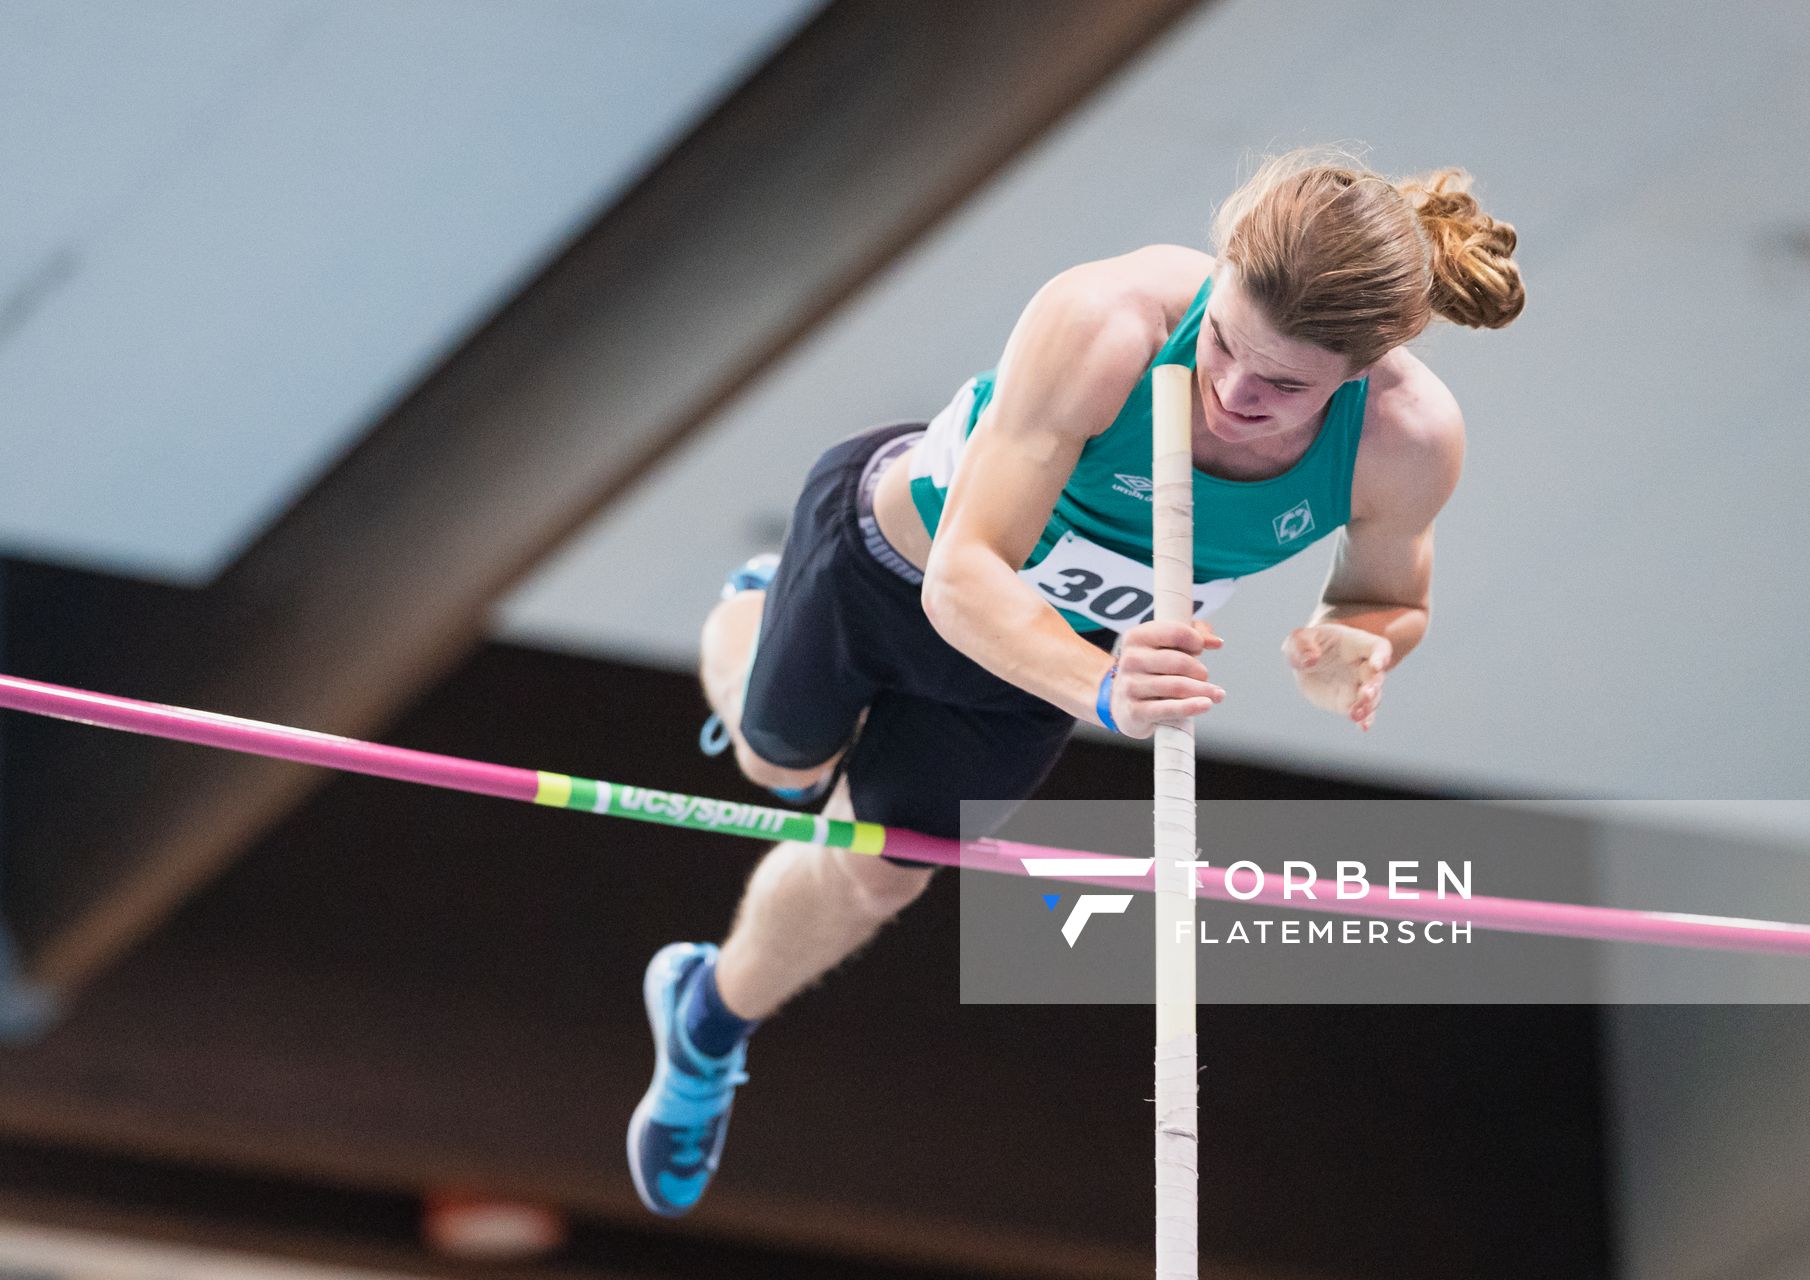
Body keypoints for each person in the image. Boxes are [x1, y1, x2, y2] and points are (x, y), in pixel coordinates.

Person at [627, 148, 1525, 1216]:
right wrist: (1105, 693)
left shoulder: (1407, 441)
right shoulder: (1109, 319)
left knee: (880, 872)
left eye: (1285, 385)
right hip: (894, 564)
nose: (1235, 392)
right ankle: (756, 602)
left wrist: (1358, 646)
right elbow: (964, 577)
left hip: (1048, 660)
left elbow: (1386, 599)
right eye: (1228, 342)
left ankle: (706, 1022)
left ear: (1368, 368)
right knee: (780, 763)